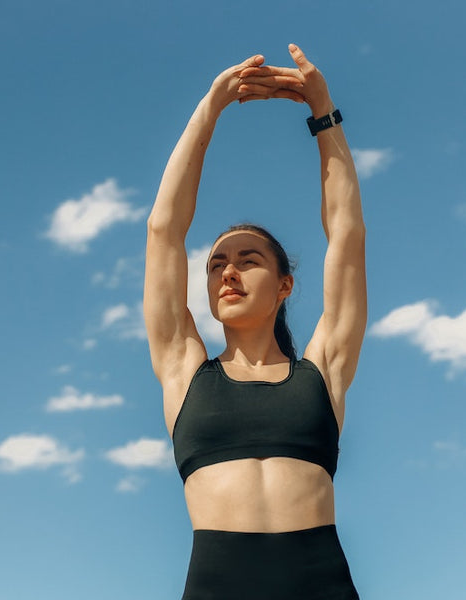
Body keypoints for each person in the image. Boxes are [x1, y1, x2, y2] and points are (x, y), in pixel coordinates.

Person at [144, 43, 366, 600]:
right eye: (217, 263)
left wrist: (323, 112)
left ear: (285, 284)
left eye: (248, 260)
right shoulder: (184, 368)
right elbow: (164, 231)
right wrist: (209, 109)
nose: (227, 273)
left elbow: (346, 234)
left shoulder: (323, 370)